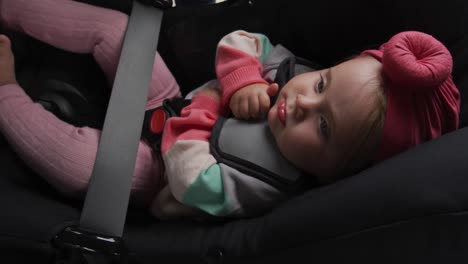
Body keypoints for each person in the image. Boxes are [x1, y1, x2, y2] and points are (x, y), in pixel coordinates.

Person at [0, 0, 460, 220]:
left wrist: (207, 113)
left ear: (334, 173)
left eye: (323, 126)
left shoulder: (268, 184)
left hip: (151, 166)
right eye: (321, 84)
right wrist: (242, 79)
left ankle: (5, 91)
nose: (301, 102)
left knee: (83, 166)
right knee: (120, 32)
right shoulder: (291, 75)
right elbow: (243, 42)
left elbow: (188, 180)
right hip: (166, 99)